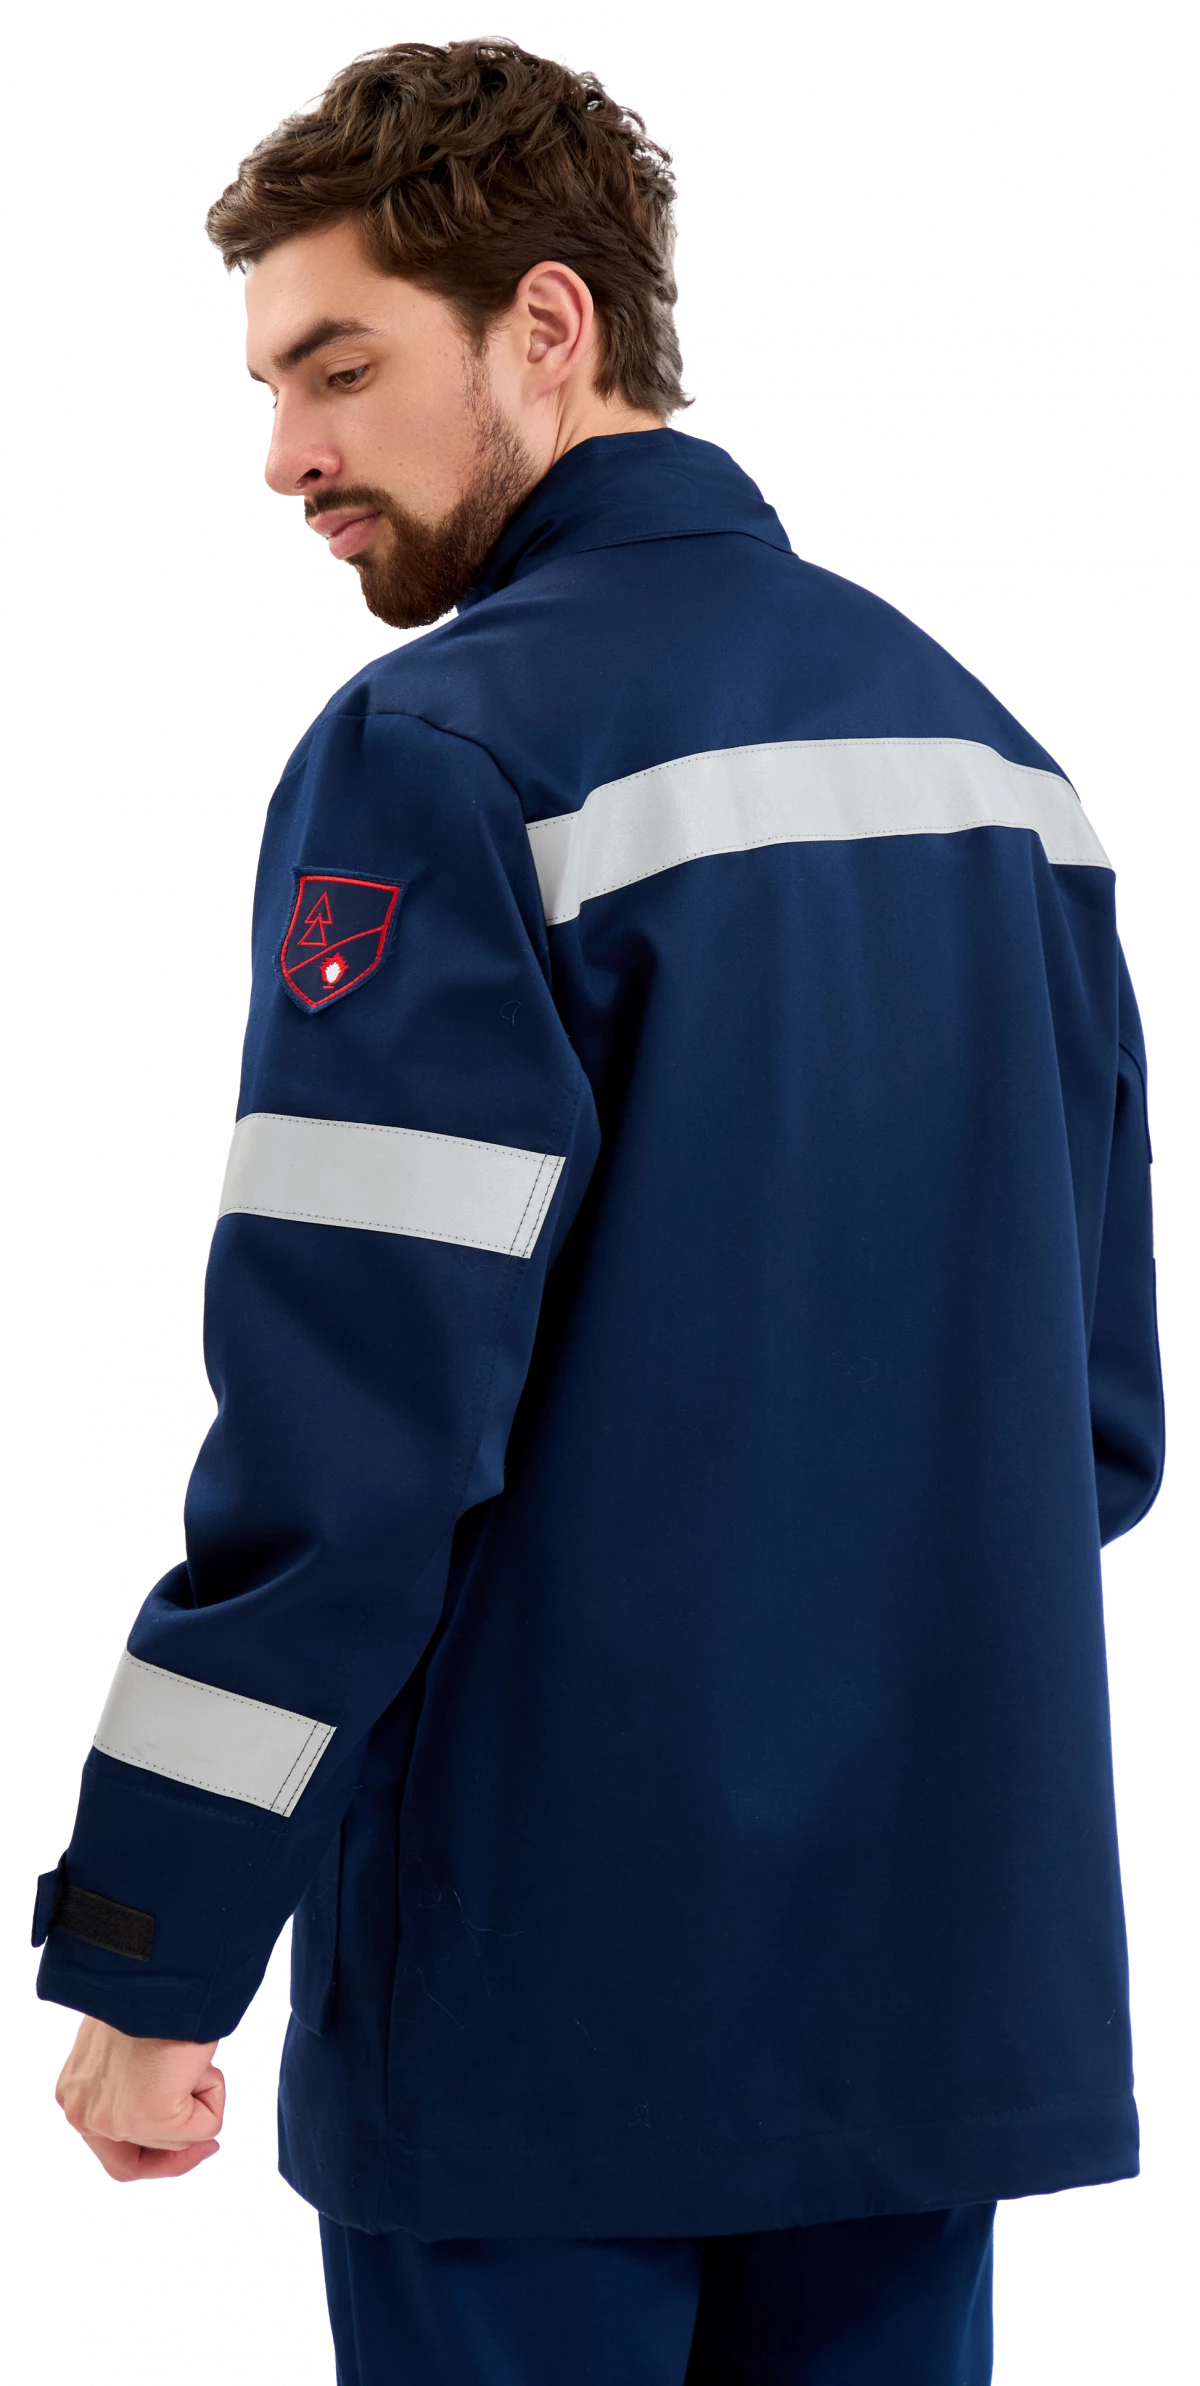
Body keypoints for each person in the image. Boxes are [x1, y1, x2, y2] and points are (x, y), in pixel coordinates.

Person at [31, 34, 1164, 2386]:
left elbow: (344, 1460)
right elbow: (1094, 1429)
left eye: (338, 367)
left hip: (543, 2012)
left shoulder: (443, 751)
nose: (286, 454)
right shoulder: (996, 763)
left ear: (547, 326)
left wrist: (150, 1940)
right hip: (928, 1999)